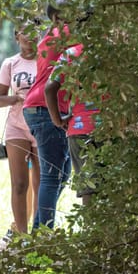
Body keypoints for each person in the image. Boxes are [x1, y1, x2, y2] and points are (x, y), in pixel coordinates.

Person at [22, 0, 73, 229]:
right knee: (53, 176)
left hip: (38, 106)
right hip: (47, 107)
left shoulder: (48, 36)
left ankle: (39, 231)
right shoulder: (65, 33)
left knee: (61, 174)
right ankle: (44, 236)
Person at [0, 25, 40, 237]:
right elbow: (0, 99)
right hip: (16, 126)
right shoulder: (10, 63)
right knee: (20, 183)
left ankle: (40, 232)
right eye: (25, 31)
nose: (29, 36)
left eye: (34, 31)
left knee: (41, 182)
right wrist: (15, 98)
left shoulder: (46, 61)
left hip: (41, 124)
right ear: (17, 36)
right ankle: (22, 234)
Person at [45, 44, 100, 205]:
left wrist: (57, 120)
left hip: (79, 128)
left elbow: (49, 88)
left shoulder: (71, 54)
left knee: (89, 187)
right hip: (112, 127)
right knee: (115, 186)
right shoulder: (115, 50)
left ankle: (91, 228)